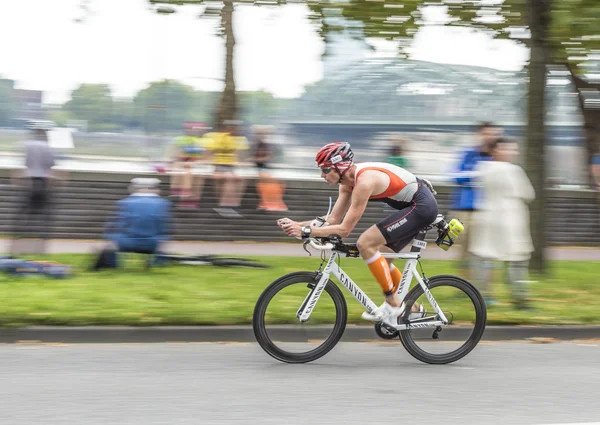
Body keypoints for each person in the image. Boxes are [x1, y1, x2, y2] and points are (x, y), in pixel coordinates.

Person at [277, 142, 438, 325]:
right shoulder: (346, 183)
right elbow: (333, 220)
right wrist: (299, 225)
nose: (322, 175)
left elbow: (345, 230)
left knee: (365, 244)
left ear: (340, 167)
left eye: (326, 169)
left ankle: (392, 304)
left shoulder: (364, 182)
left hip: (421, 207)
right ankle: (412, 308)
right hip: (411, 207)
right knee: (383, 259)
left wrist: (306, 231)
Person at [469, 137, 535, 310]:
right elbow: (528, 193)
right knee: (517, 258)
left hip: (487, 215)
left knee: (486, 257)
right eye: (511, 149)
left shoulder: (482, 168)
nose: (514, 152)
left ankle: (484, 296)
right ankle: (520, 297)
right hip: (510, 217)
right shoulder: (514, 170)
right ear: (497, 150)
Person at [450, 121, 502, 279]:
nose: (490, 137)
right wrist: (476, 175)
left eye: (493, 134)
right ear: (479, 135)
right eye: (486, 133)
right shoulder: (467, 154)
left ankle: (485, 289)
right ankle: (463, 286)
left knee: (487, 250)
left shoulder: (498, 157)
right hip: (462, 210)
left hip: (488, 210)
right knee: (462, 248)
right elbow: (453, 176)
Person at [10, 120, 66, 255]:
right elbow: (50, 167)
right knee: (46, 214)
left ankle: (18, 238)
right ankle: (43, 240)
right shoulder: (49, 147)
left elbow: (25, 164)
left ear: (35, 133)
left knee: (23, 211)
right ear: (44, 133)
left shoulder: (27, 145)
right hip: (43, 183)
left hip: (30, 182)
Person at [103, 177, 172, 260]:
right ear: (155, 189)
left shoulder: (125, 203)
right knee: (161, 238)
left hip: (127, 243)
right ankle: (159, 261)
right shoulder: (163, 204)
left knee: (112, 239)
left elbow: (116, 225)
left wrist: (108, 236)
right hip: (153, 244)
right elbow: (165, 227)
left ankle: (111, 263)